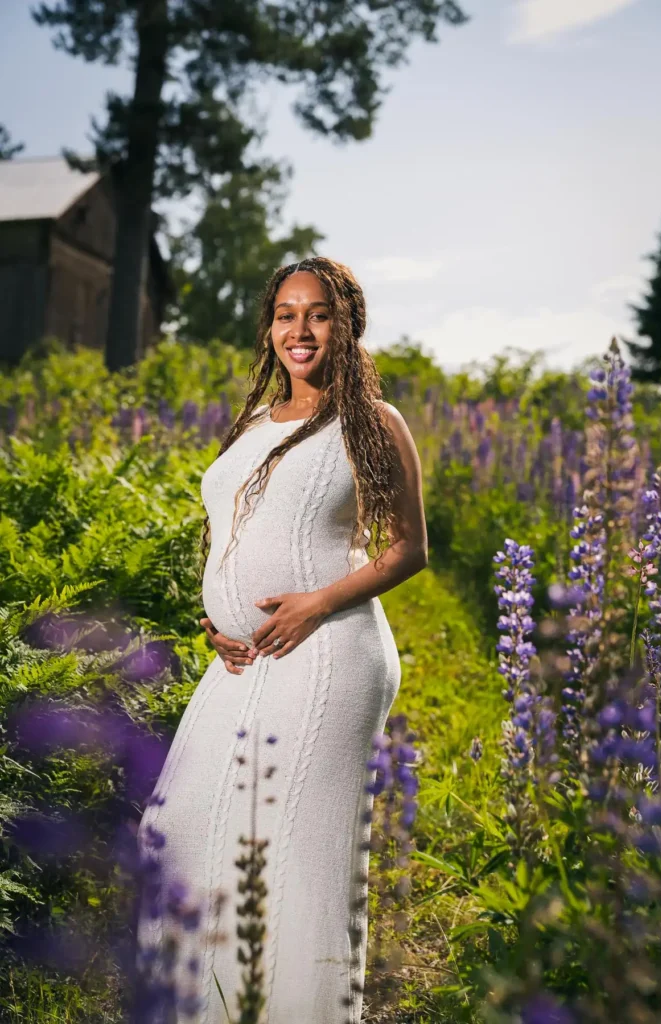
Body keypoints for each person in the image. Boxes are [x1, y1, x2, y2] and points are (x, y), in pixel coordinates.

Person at [137, 256, 428, 1023]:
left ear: (346, 325)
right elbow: (239, 529)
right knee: (177, 825)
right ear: (269, 328)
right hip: (244, 660)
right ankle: (207, 1005)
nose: (301, 330)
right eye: (286, 314)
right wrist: (219, 621)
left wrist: (314, 603)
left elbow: (408, 548)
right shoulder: (254, 425)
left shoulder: (373, 421)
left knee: (294, 847)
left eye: (319, 314)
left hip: (329, 651)